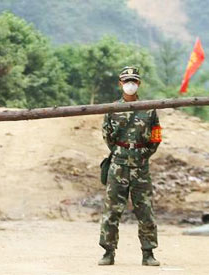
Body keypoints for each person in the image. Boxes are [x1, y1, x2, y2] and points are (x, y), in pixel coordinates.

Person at [98, 66, 162, 266]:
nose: (130, 85)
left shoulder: (149, 109)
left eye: (133, 81)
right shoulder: (112, 109)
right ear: (120, 84)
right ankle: (108, 252)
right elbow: (107, 136)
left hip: (141, 167)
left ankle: (148, 253)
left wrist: (143, 153)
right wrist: (121, 152)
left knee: (145, 210)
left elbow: (156, 136)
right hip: (118, 165)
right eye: (126, 81)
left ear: (139, 84)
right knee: (112, 211)